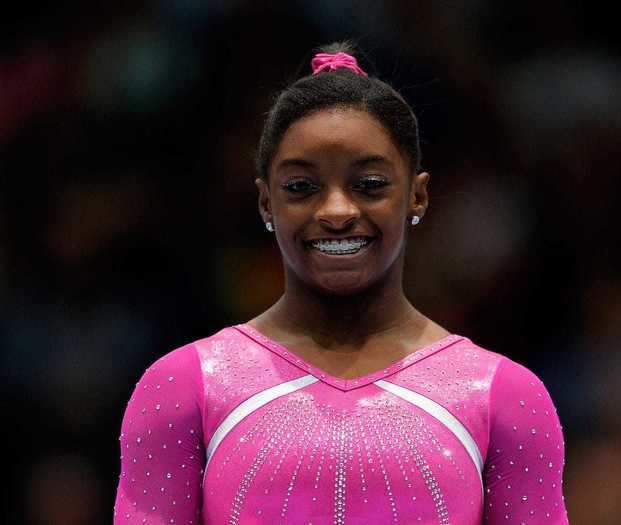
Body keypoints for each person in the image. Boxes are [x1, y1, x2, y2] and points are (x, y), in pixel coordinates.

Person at [114, 42, 568, 525]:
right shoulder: (188, 386)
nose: (336, 211)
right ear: (266, 203)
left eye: (369, 184)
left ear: (416, 195)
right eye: (301, 187)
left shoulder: (503, 395)